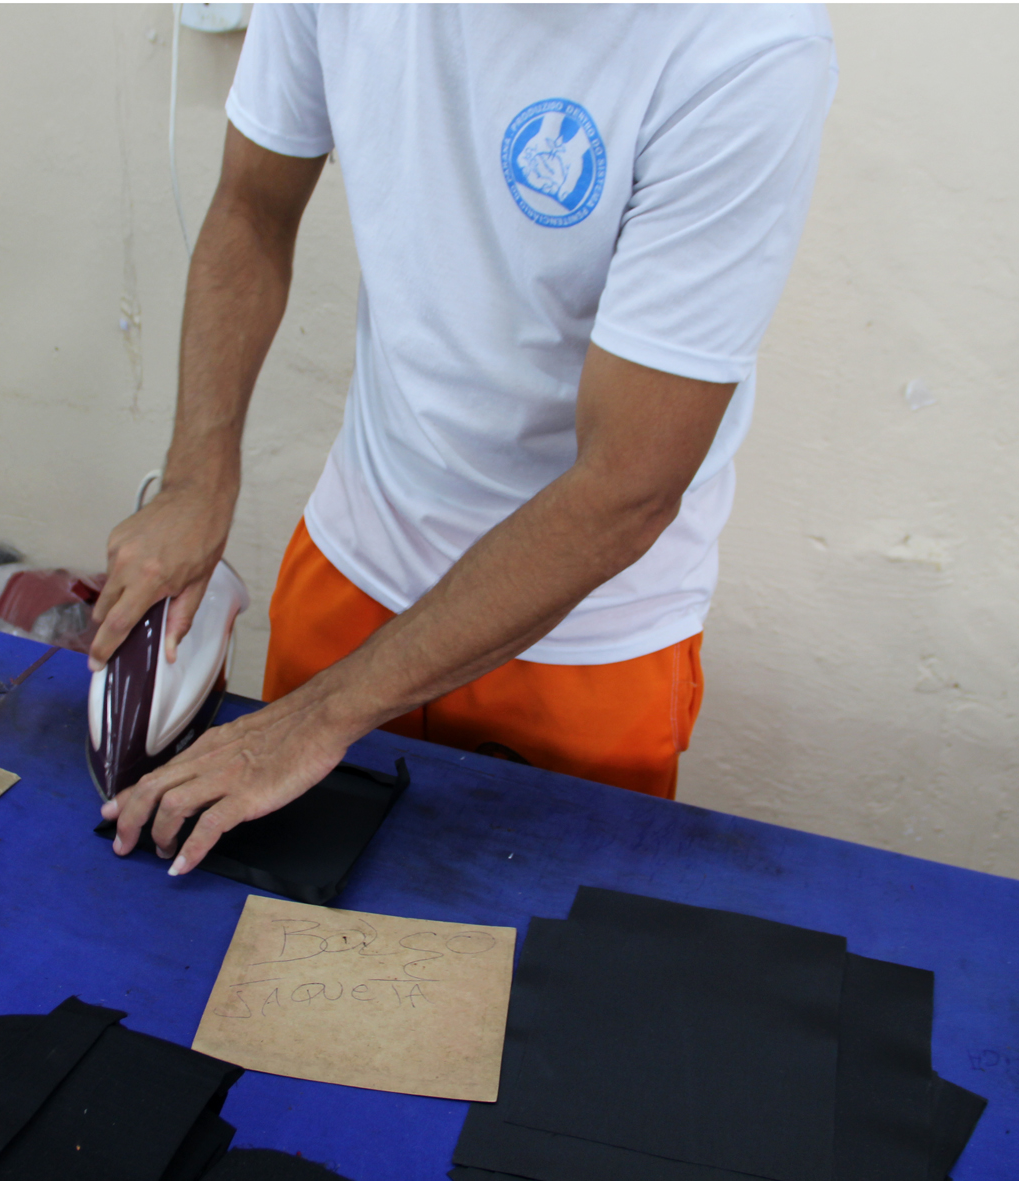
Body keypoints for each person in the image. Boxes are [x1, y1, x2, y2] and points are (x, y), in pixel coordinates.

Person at [89, 5, 838, 875]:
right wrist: (196, 478)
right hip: (354, 563)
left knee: (533, 950)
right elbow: (253, 209)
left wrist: (317, 717)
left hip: (582, 630)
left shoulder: (746, 46)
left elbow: (627, 486)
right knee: (248, 919)